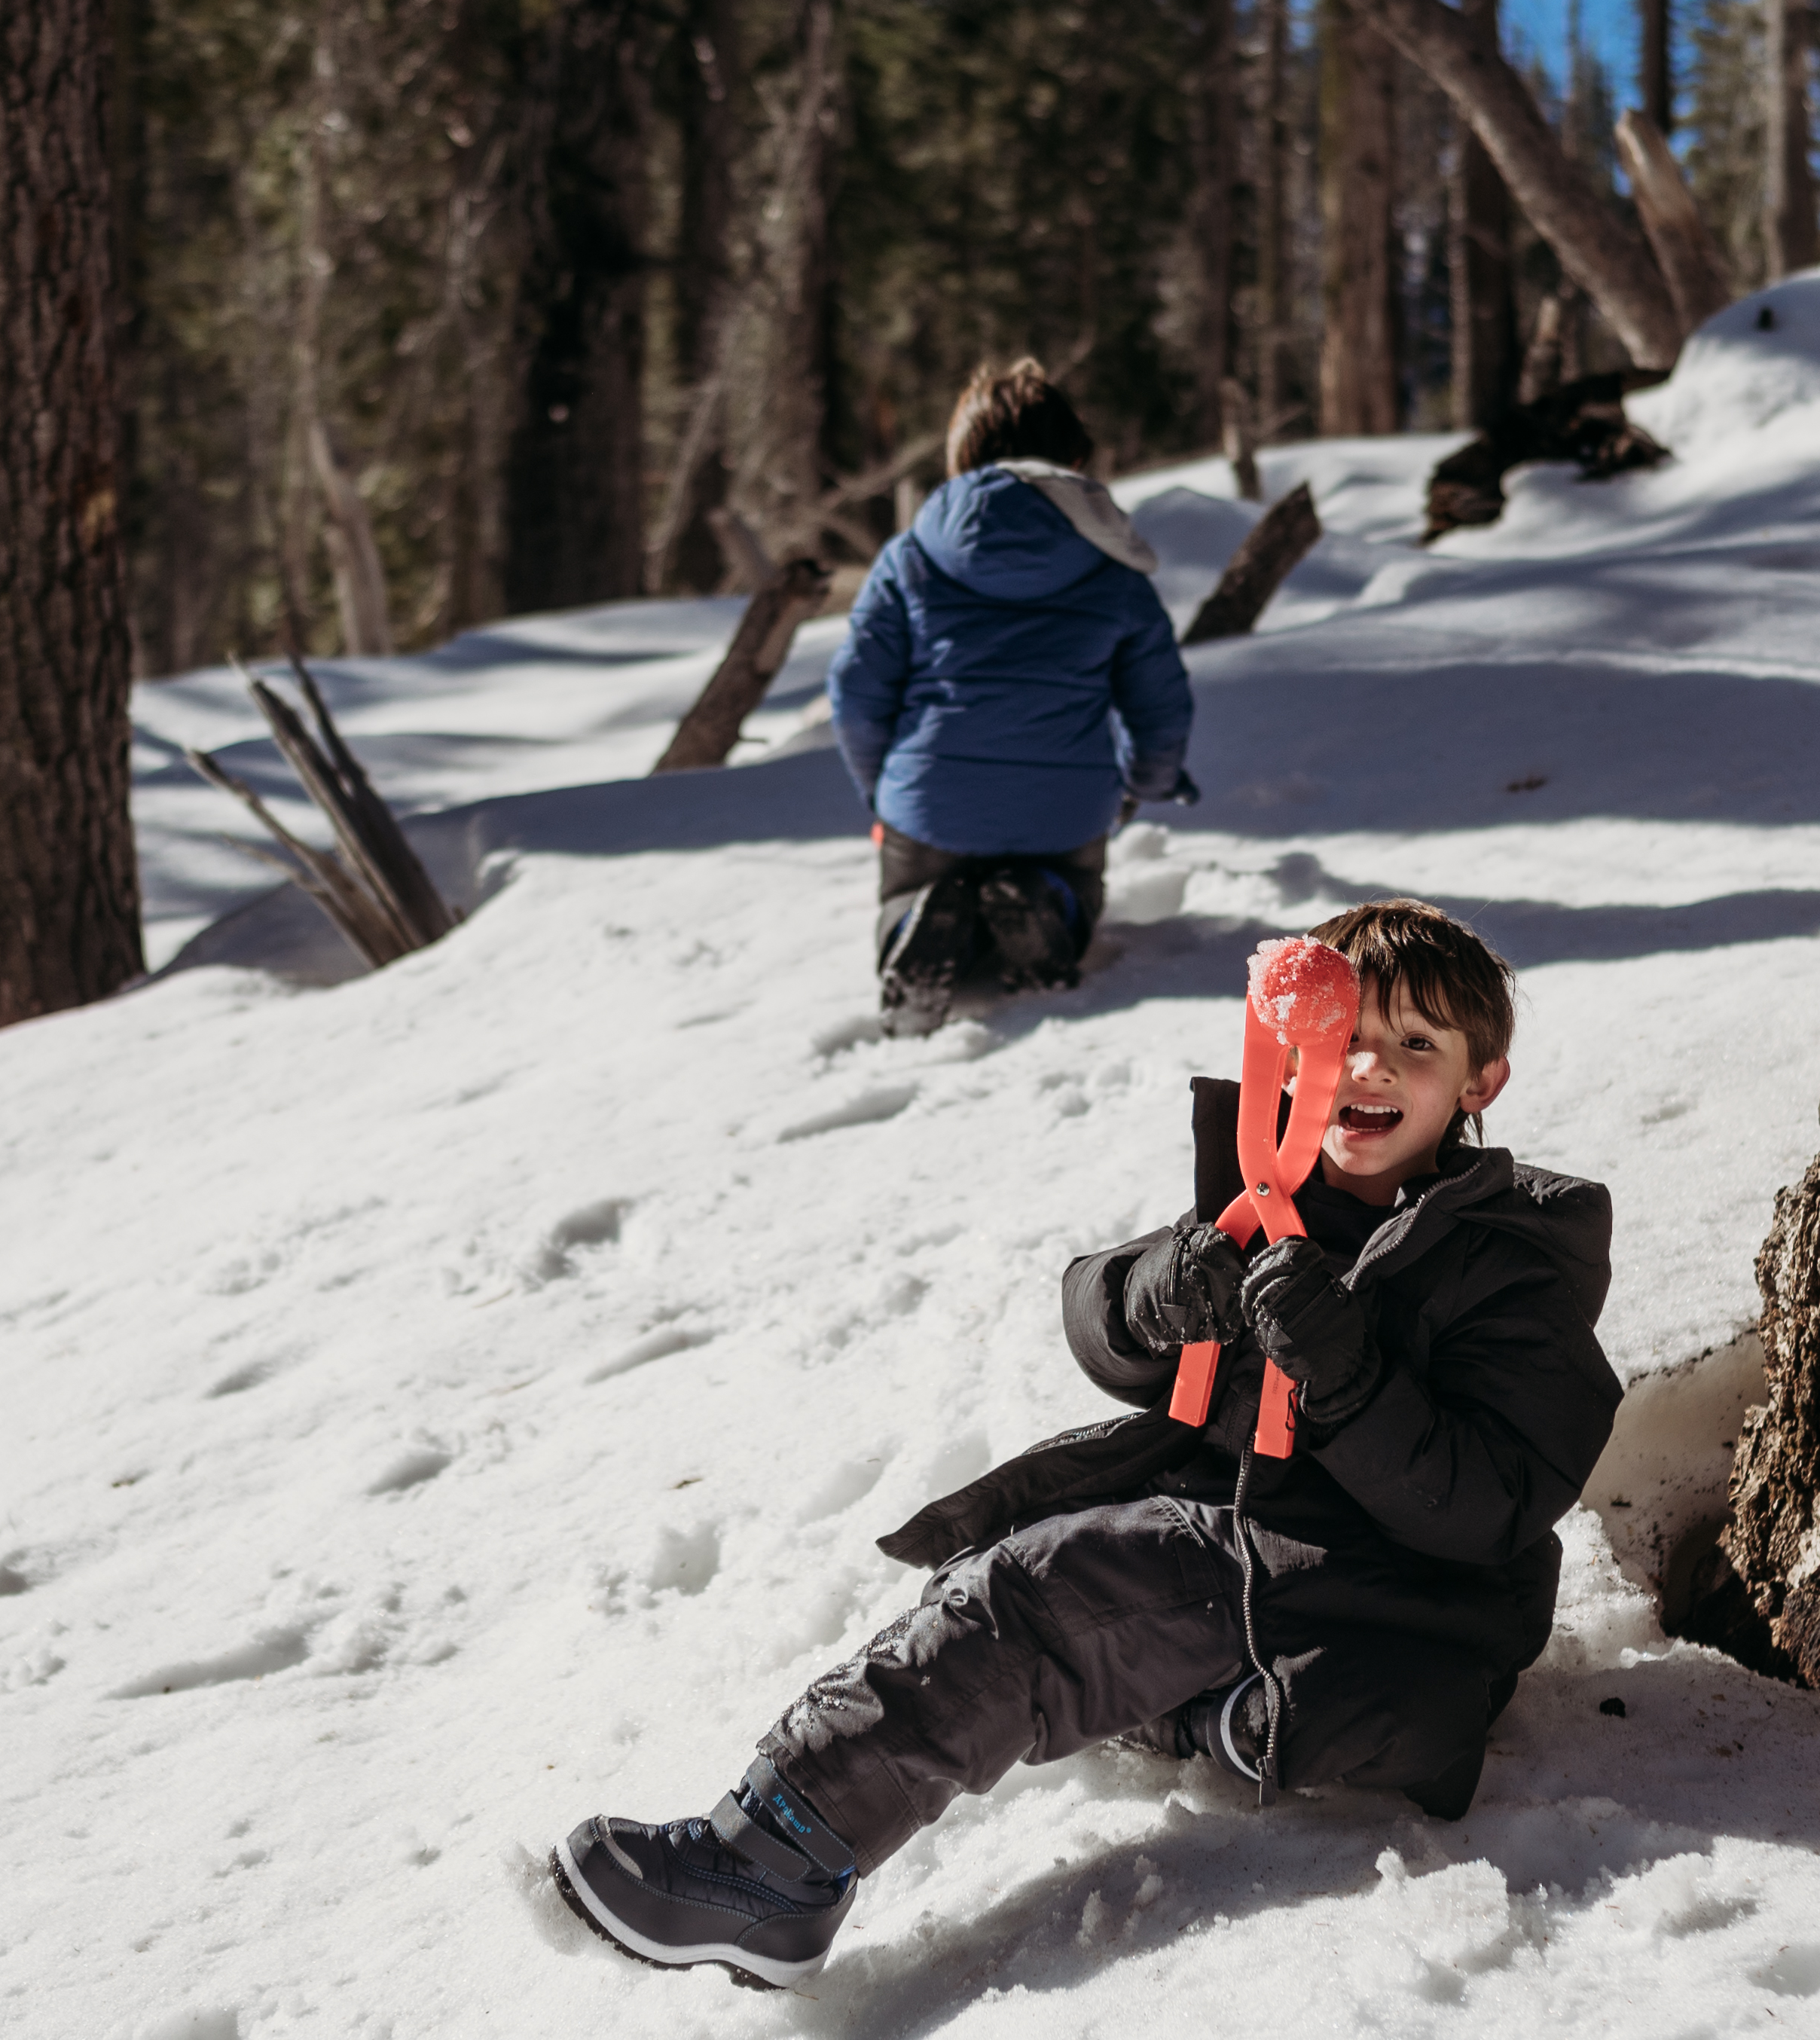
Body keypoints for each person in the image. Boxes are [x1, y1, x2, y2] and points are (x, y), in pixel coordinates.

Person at [552, 900, 1620, 1989]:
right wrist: (1161, 1295)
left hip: (1368, 1578)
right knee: (1002, 1581)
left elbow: (1494, 1500)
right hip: (1257, 1552)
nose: (1370, 1071)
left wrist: (1349, 1378)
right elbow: (1097, 1320)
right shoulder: (1267, 1197)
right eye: (1343, 1040)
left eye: (1416, 1046)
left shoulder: (1509, 1264)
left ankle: (771, 1862)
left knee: (1034, 1599)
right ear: (1292, 1053)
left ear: (1478, 1083)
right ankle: (1231, 1719)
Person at [827, 356, 1194, 1019]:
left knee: (904, 887)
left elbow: (856, 689)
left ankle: (914, 917)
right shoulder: (1112, 566)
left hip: (931, 801)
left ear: (962, 452)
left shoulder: (910, 556)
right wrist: (1149, 780)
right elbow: (1160, 701)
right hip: (1065, 803)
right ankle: (1050, 902)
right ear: (1072, 461)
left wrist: (881, 788)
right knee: (1078, 882)